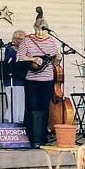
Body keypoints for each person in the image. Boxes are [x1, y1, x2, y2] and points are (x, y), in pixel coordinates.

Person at [17, 17, 61, 147]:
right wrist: (33, 58)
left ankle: (42, 136)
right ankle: (30, 136)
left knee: (44, 108)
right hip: (32, 79)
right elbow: (19, 57)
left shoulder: (52, 42)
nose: (39, 33)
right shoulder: (27, 40)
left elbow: (54, 62)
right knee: (31, 107)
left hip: (47, 79)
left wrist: (58, 58)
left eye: (42, 30)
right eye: (37, 29)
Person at [3, 30, 26, 123]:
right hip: (11, 81)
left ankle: (20, 121)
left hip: (22, 80)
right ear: (14, 39)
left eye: (24, 39)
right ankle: (12, 121)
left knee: (22, 103)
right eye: (20, 39)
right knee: (13, 103)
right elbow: (7, 63)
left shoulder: (26, 50)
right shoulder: (9, 49)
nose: (23, 41)